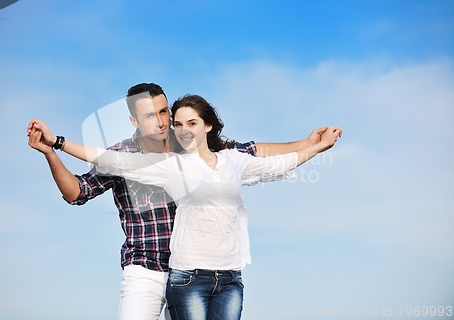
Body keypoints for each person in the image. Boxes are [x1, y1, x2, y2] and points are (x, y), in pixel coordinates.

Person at [27, 83, 335, 320]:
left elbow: (251, 152)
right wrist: (51, 150)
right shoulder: (122, 155)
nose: (162, 122)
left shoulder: (190, 142)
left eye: (164, 112)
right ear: (134, 119)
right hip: (144, 268)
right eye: (150, 115)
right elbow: (77, 192)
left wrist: (308, 144)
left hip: (191, 271)